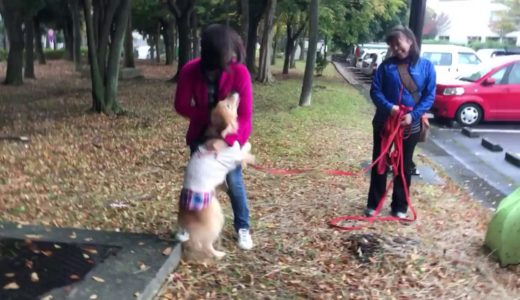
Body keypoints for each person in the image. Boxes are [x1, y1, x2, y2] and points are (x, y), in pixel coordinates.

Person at [174, 24, 254, 250]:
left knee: (234, 182)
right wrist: (209, 115)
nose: (234, 55)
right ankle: (186, 224)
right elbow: (181, 105)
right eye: (230, 51)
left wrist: (228, 140)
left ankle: (243, 227)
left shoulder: (239, 72)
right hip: (200, 137)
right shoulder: (190, 70)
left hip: (229, 139)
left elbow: (246, 116)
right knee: (195, 182)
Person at [365, 25, 436, 218]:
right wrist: (391, 108)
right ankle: (374, 204)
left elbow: (429, 96)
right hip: (384, 121)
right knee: (380, 162)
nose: (396, 48)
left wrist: (413, 115)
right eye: (392, 46)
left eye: (398, 43)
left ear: (410, 41)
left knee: (404, 165)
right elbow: (375, 91)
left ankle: (400, 206)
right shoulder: (385, 67)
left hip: (409, 124)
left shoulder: (426, 66)